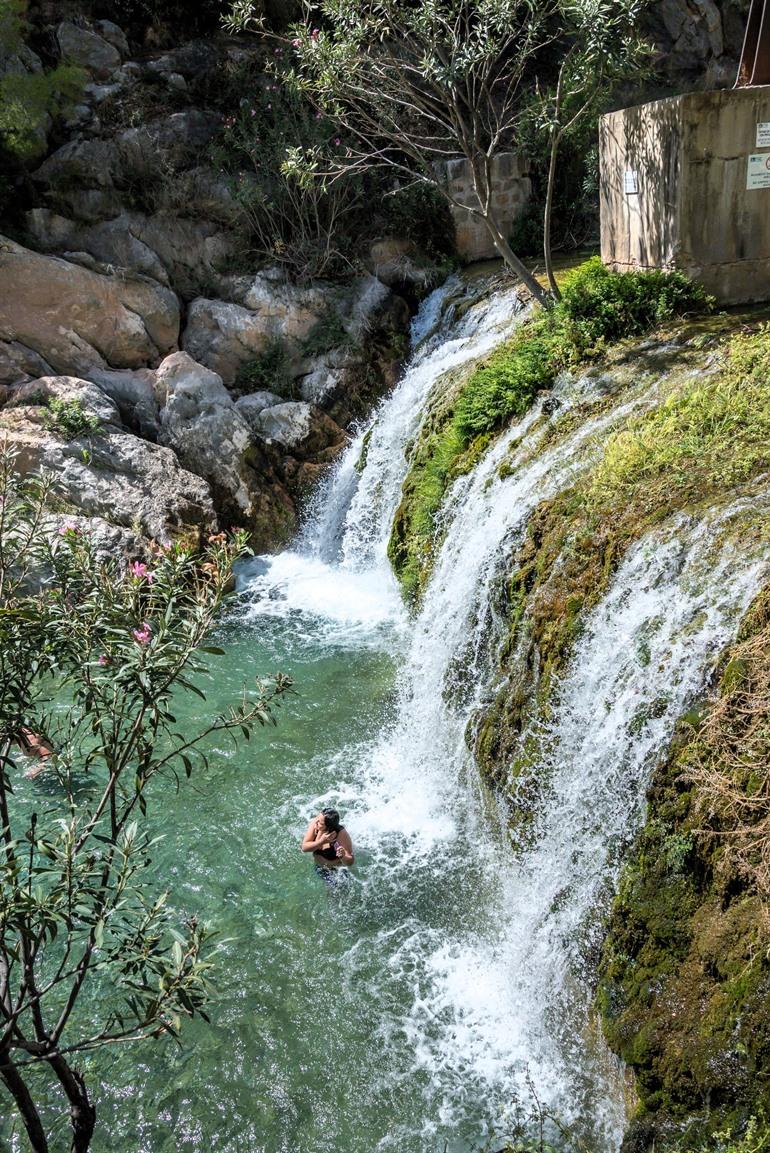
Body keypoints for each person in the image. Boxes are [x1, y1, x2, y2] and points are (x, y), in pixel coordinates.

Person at [301, 808, 354, 876]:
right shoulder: (316, 824)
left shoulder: (340, 834)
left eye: (320, 823)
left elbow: (350, 862)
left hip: (337, 870)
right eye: (318, 818)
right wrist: (321, 842)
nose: (316, 822)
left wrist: (343, 856)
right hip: (319, 867)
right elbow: (304, 848)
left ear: (328, 827)